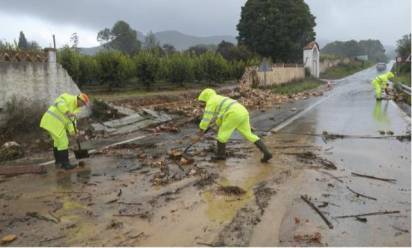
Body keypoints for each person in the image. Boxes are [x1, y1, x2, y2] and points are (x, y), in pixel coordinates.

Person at [197, 88, 272, 163]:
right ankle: (266, 152)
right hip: (243, 112)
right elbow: (220, 116)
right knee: (249, 134)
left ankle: (221, 156)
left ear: (205, 97)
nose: (203, 104)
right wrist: (215, 125)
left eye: (202, 102)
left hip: (233, 114)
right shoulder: (219, 98)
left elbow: (206, 118)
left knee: (221, 136)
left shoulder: (211, 102)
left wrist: (201, 130)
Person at [40, 93, 89, 170]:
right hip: (52, 121)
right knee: (63, 142)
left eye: (84, 105)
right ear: (79, 99)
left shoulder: (76, 109)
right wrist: (67, 111)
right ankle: (66, 164)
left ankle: (59, 162)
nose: (82, 106)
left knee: (58, 142)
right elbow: (59, 102)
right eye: (83, 103)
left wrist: (73, 132)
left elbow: (71, 121)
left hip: (54, 123)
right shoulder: (68, 98)